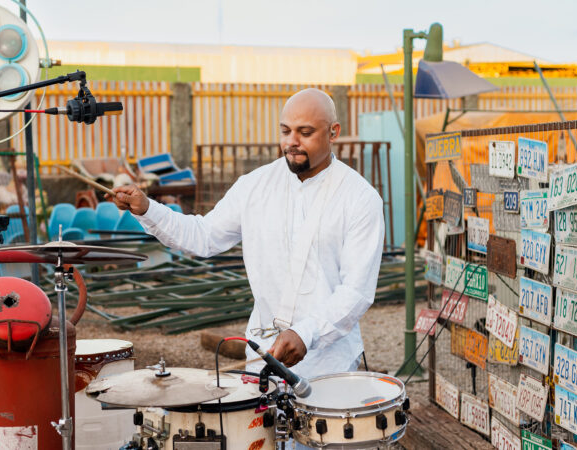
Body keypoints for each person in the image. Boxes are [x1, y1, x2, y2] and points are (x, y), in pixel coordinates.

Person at [108, 88, 384, 381]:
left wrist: (306, 333)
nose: (292, 142)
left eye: (305, 132)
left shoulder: (360, 198)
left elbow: (356, 290)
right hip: (262, 357)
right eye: (286, 131)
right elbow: (204, 236)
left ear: (333, 133)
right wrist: (147, 209)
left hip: (329, 366)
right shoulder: (255, 185)